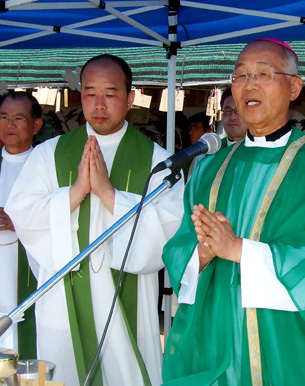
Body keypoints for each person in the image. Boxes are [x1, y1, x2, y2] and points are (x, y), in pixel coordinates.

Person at [162, 37, 305, 385]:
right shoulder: (209, 168)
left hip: (287, 341)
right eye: (240, 76)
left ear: (294, 87)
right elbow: (179, 246)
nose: (249, 84)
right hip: (218, 334)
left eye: (263, 74)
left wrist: (237, 249)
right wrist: (202, 254)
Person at [6, 54, 184, 386]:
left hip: (128, 302)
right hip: (63, 301)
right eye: (89, 93)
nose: (98, 104)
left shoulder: (160, 163)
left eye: (110, 93)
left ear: (130, 98)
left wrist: (108, 193)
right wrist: (75, 193)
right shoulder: (50, 154)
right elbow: (24, 214)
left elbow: (169, 232)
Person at [0, 91, 42, 358]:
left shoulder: (47, 165)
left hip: (29, 269)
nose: (10, 124)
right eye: (4, 117)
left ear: (36, 125)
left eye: (18, 118)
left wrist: (20, 223)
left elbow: (64, 214)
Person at [185, 111, 212, 179]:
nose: (190, 132)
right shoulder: (191, 155)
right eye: (191, 128)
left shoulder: (215, 156)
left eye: (196, 128)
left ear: (209, 131)